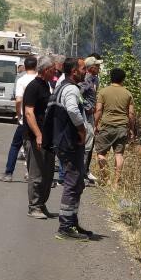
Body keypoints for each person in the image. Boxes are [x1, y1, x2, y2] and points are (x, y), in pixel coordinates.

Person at [48, 58, 92, 240]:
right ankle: (65, 227)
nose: (85, 71)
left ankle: (72, 222)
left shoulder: (64, 86)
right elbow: (73, 111)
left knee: (77, 183)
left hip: (65, 141)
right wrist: (81, 130)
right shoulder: (71, 89)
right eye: (83, 68)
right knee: (72, 183)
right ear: (74, 71)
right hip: (69, 142)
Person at [23, 56, 56, 219]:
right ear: (45, 70)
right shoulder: (33, 87)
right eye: (53, 69)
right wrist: (38, 134)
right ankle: (34, 206)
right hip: (35, 137)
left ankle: (42, 204)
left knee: (48, 174)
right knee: (36, 174)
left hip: (48, 138)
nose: (55, 72)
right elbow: (29, 113)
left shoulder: (45, 85)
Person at [94, 68, 135, 187]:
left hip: (106, 126)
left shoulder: (103, 92)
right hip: (122, 127)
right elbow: (131, 114)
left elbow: (99, 110)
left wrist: (95, 125)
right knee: (119, 154)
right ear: (123, 79)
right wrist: (131, 128)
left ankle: (106, 179)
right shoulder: (128, 93)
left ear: (111, 77)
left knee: (101, 153)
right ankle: (116, 182)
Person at [0, 56, 38, 182]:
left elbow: (19, 100)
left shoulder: (22, 80)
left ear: (25, 67)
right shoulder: (41, 80)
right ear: (36, 66)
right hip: (39, 120)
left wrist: (19, 115)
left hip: (25, 120)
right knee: (35, 147)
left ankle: (9, 173)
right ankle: (32, 174)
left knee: (16, 146)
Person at [79, 56, 102, 183]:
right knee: (86, 145)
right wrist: (86, 106)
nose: (99, 68)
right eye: (97, 66)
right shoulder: (86, 80)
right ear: (91, 67)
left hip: (91, 116)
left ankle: (85, 171)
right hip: (85, 115)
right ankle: (81, 174)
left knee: (89, 144)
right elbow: (78, 95)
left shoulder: (95, 79)